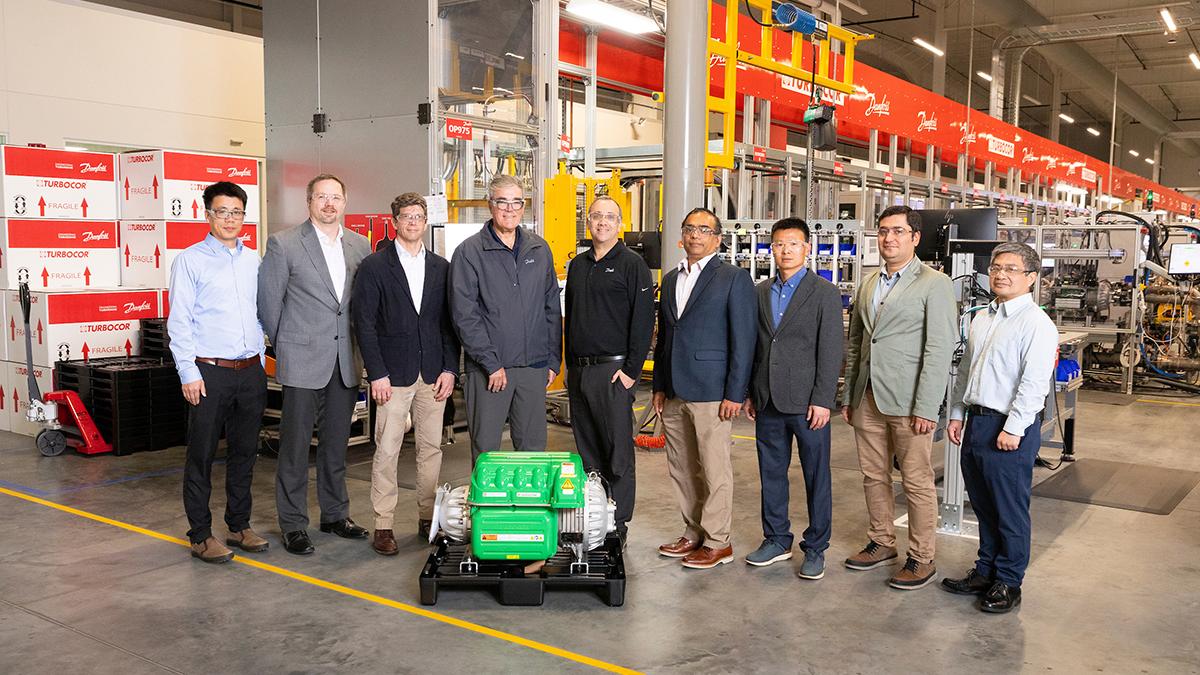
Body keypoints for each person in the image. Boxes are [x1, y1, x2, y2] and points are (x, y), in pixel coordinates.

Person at [841, 204, 956, 589]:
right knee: (873, 475)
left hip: (909, 403)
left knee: (916, 480)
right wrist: (850, 393)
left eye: (898, 231)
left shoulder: (934, 283)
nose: (889, 238)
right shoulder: (870, 282)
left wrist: (927, 405)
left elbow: (939, 348)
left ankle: (922, 557)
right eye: (883, 231)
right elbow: (857, 341)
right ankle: (881, 541)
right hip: (868, 398)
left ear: (915, 238)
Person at [258, 173, 372, 555]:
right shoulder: (284, 244)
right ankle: (292, 523)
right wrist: (290, 346)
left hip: (344, 362)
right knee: (294, 448)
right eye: (321, 197)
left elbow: (359, 308)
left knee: (336, 446)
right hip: (302, 360)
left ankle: (335, 514)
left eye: (335, 197)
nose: (329, 204)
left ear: (344, 202)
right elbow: (269, 307)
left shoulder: (360, 245)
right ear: (308, 202)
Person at [942, 242, 1057, 613]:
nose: (1001, 274)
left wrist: (1015, 427)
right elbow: (966, 373)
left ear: (1032, 278)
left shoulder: (1036, 323)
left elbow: (1034, 384)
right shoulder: (983, 317)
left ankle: (1008, 581)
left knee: (1009, 509)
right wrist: (957, 413)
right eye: (995, 268)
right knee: (984, 506)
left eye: (1011, 269)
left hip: (1008, 428)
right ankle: (985, 569)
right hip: (976, 422)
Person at [352, 193, 459, 554]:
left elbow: (449, 324)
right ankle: (383, 524)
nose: (413, 222)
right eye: (406, 216)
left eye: (418, 216)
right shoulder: (375, 267)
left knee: (431, 450)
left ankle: (428, 519)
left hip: (433, 375)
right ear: (394, 221)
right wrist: (376, 373)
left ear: (425, 222)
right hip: (392, 376)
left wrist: (449, 368)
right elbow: (364, 324)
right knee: (387, 450)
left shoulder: (441, 268)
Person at [168, 181, 269, 564]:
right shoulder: (190, 260)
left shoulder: (251, 259)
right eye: (222, 212)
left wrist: (260, 360)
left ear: (244, 216)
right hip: (209, 373)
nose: (230, 219)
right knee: (202, 454)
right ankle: (200, 535)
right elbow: (179, 322)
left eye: (237, 212)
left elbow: (258, 312)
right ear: (207, 214)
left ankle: (239, 525)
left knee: (245, 452)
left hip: (250, 371)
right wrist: (187, 372)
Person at [652, 207, 756, 570]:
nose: (695, 235)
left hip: (713, 390)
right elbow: (666, 336)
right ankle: (693, 531)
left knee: (714, 469)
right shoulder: (670, 278)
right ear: (682, 235)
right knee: (682, 467)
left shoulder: (732, 279)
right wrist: (660, 385)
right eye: (689, 229)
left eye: (703, 229)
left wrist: (735, 392)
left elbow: (744, 340)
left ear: (717, 238)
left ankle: (718, 541)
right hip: (675, 388)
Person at [743, 218, 843, 580]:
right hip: (767, 399)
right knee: (771, 473)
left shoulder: (825, 292)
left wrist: (823, 399)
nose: (785, 250)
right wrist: (752, 392)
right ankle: (776, 539)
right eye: (779, 244)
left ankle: (816, 546)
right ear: (771, 249)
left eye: (793, 244)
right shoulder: (759, 291)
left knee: (817, 475)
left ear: (807, 248)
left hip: (807, 403)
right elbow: (756, 346)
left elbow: (832, 351)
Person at [563, 196, 655, 544]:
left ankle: (618, 522)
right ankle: (594, 514)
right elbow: (571, 316)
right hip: (580, 371)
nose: (602, 222)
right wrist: (570, 367)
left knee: (617, 452)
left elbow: (644, 320)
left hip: (614, 371)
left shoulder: (632, 265)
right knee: (588, 450)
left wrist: (632, 370)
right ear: (588, 221)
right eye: (597, 216)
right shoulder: (580, 265)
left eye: (610, 217)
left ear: (620, 223)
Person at [449, 174, 561, 458]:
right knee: (487, 452)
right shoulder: (469, 253)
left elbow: (551, 306)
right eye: (502, 202)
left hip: (534, 368)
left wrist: (552, 359)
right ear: (490, 205)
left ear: (524, 207)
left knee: (533, 451)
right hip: (490, 371)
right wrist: (491, 363)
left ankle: (527, 504)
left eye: (516, 202)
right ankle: (488, 504)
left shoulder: (539, 248)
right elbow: (465, 315)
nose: (510, 209)